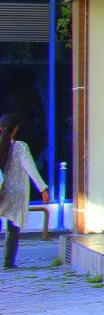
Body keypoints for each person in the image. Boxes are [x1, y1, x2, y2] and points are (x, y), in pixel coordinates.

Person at [0, 114, 47, 270]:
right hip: (14, 193)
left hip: (1, 190)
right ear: (16, 129)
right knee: (13, 227)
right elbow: (31, 169)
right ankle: (8, 262)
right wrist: (42, 188)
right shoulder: (20, 147)